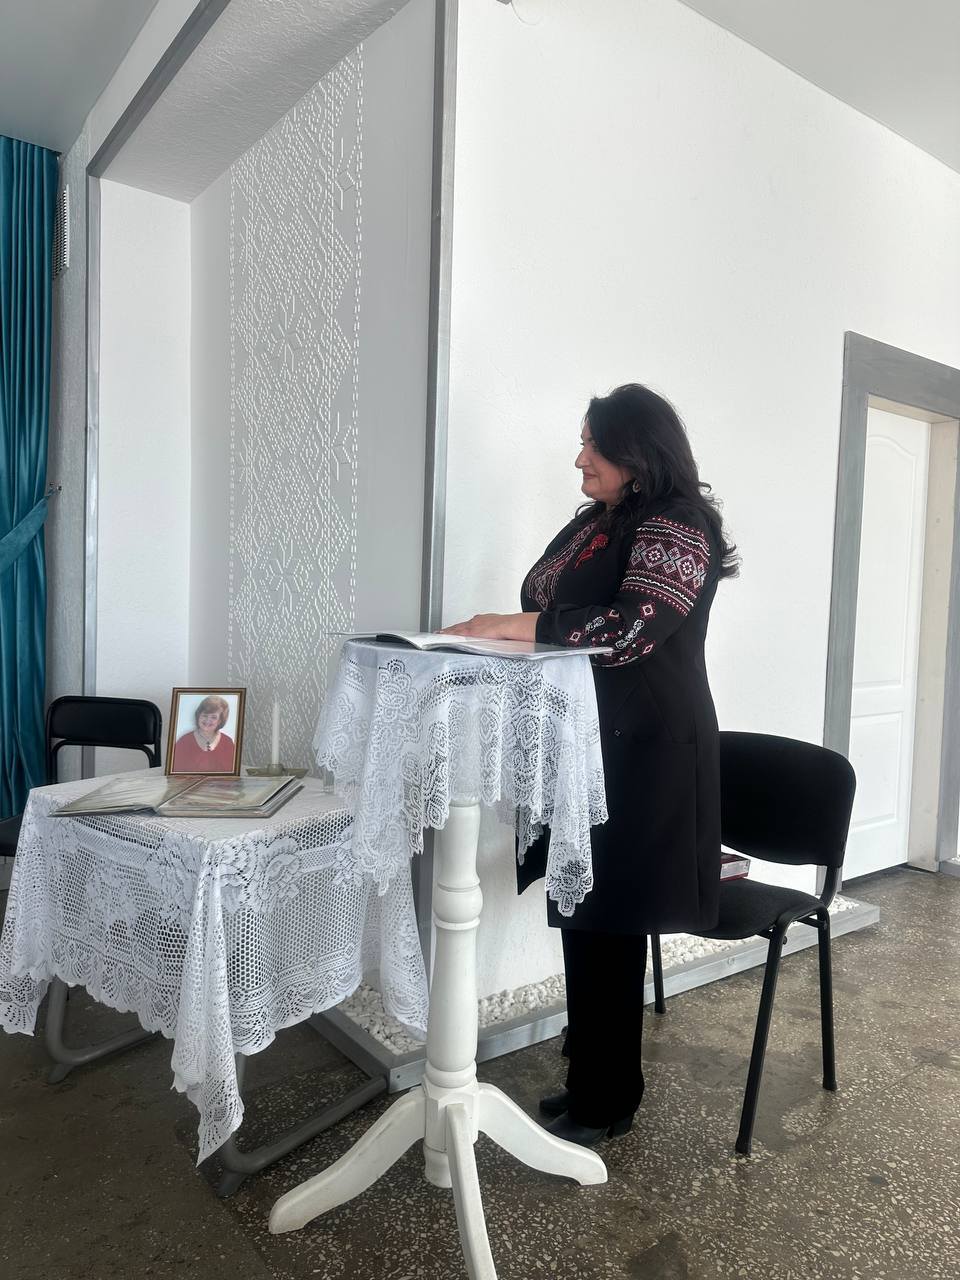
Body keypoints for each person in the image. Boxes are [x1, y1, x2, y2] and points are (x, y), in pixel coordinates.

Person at [442, 382, 738, 1146]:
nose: (579, 458)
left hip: (645, 748)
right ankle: (587, 1081)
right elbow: (546, 594)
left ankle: (610, 1098)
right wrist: (516, 626)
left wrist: (516, 625)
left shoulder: (678, 524)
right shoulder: (597, 524)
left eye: (592, 444)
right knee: (581, 909)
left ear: (637, 450)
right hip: (583, 739)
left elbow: (633, 626)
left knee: (612, 918)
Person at [171, 695, 236, 773]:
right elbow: (176, 774)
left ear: (220, 721)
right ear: (198, 716)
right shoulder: (184, 742)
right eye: (205, 715)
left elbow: (232, 774)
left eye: (213, 717)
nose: (208, 720)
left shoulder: (228, 743)